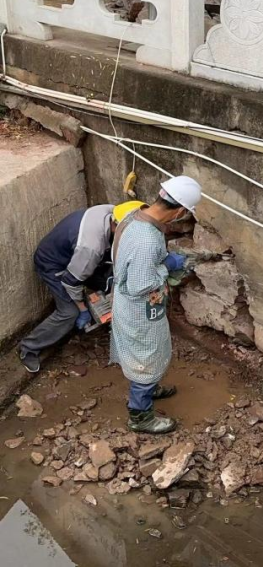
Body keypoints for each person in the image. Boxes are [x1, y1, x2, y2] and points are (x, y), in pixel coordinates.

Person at [111, 176, 202, 435]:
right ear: (180, 211)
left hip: (129, 303)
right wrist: (167, 266)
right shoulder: (148, 240)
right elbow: (140, 285)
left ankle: (149, 387)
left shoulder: (133, 216)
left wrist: (159, 262)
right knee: (145, 359)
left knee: (149, 354)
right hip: (139, 309)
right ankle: (140, 416)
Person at [19, 200, 144, 374]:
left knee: (108, 282)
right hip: (53, 264)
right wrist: (82, 309)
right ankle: (28, 348)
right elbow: (70, 282)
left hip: (74, 255)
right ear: (118, 225)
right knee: (69, 313)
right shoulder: (91, 248)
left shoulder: (112, 211)